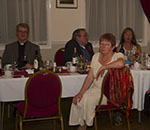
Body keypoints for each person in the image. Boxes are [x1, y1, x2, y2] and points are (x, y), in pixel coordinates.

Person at [69, 33, 125, 130]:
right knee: (79, 98)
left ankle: (85, 124)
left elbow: (121, 63)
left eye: (106, 44)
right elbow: (90, 77)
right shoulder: (96, 56)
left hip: (109, 92)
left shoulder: (117, 55)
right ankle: (81, 123)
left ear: (113, 47)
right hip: (96, 89)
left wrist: (104, 66)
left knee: (87, 99)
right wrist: (80, 92)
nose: (103, 47)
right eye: (101, 44)